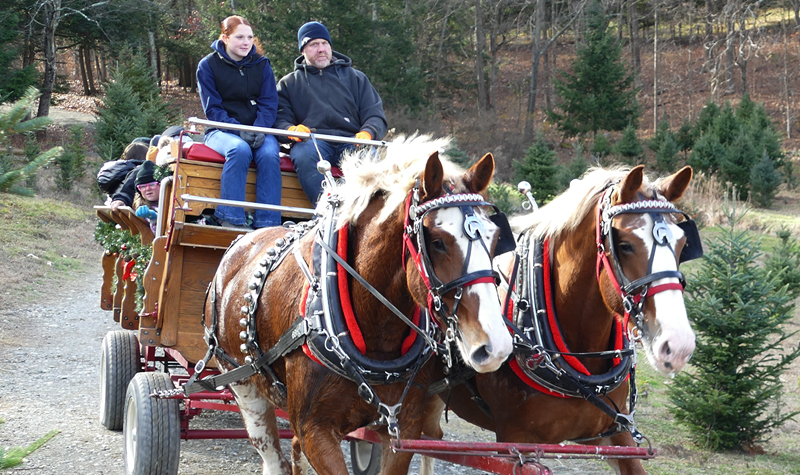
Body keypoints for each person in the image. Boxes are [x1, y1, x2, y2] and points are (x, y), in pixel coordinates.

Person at [275, 21, 388, 205]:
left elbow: (375, 114)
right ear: (303, 50)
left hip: (352, 141)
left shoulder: (356, 78)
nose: (321, 49)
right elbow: (279, 118)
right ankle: (325, 211)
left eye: (324, 43)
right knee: (303, 155)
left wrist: (368, 133)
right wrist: (291, 130)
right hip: (313, 142)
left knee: (369, 158)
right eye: (313, 45)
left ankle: (355, 212)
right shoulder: (289, 83)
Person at [196, 15, 282, 230]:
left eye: (250, 37)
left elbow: (269, 103)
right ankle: (230, 218)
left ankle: (268, 223)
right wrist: (238, 130)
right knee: (239, 149)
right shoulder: (208, 65)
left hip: (258, 129)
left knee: (270, 154)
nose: (246, 42)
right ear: (225, 38)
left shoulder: (262, 65)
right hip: (222, 129)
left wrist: (259, 129)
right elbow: (213, 109)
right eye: (240, 37)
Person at [132, 161, 160, 233]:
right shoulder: (143, 208)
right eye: (143, 186)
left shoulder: (172, 201)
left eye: (152, 184)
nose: (147, 189)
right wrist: (153, 218)